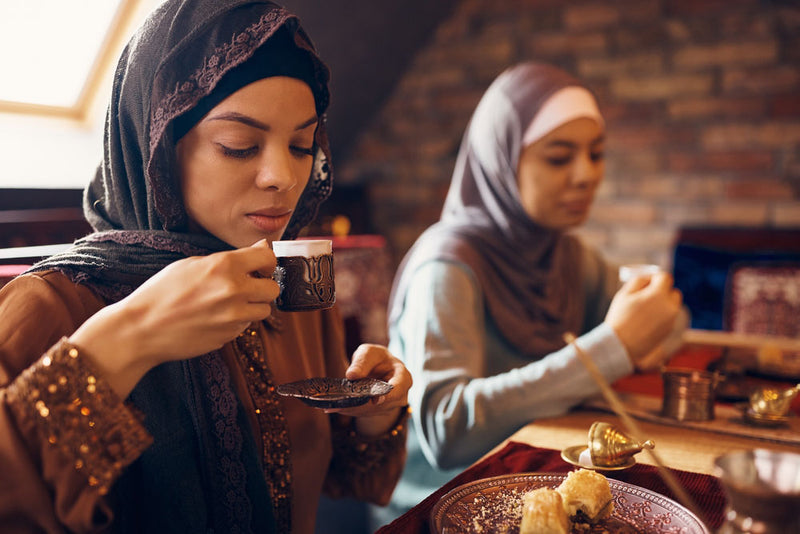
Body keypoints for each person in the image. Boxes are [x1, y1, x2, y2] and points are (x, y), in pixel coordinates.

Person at [0, 1, 411, 533]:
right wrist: (127, 338)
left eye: (302, 145)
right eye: (238, 146)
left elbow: (346, 479)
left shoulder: (288, 285)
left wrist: (376, 413)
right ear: (157, 148)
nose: (283, 177)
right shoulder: (54, 306)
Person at [370, 62, 685, 527]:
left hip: (532, 483)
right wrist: (613, 348)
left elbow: (666, 324)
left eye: (596, 154)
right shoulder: (448, 266)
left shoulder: (563, 254)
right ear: (501, 160)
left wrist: (652, 321)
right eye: (559, 157)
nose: (586, 175)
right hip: (437, 504)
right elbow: (445, 431)